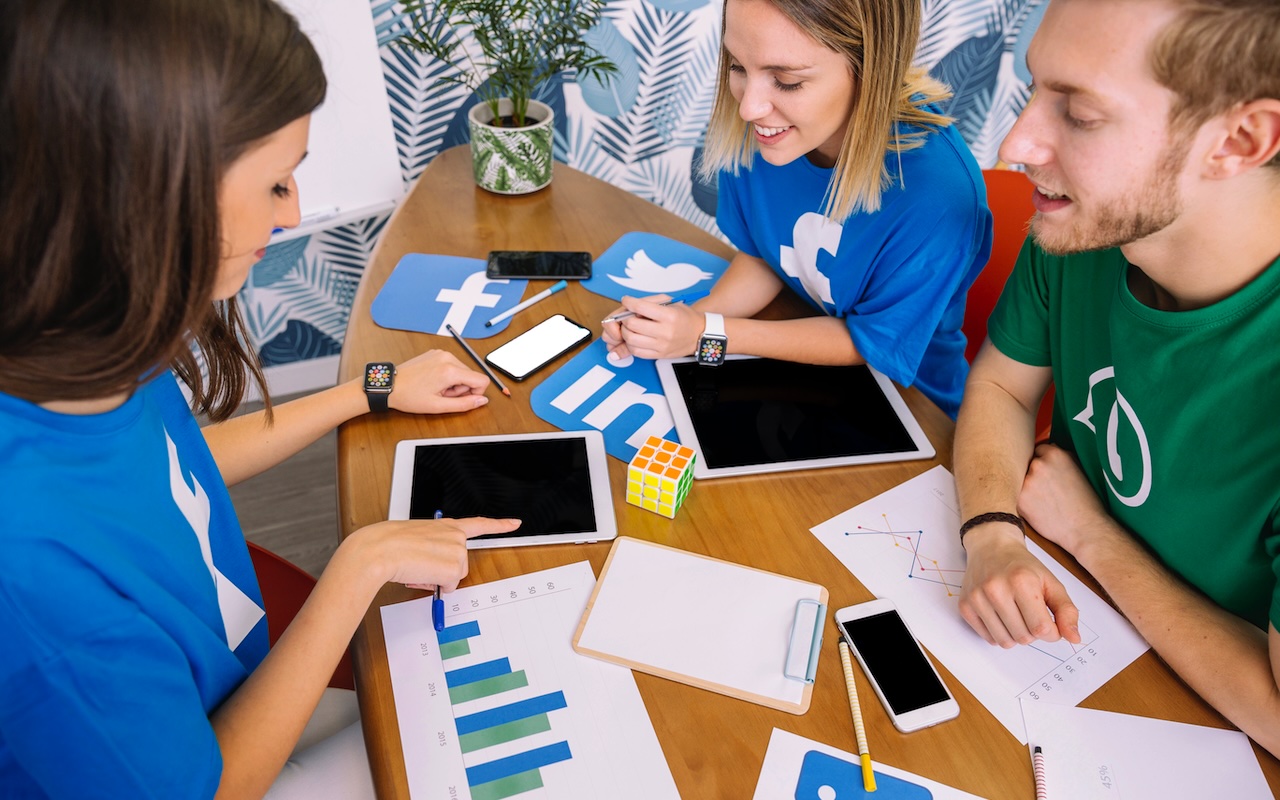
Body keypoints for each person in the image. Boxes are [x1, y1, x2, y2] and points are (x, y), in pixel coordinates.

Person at [0, 1, 521, 797]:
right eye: (276, 182)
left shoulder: (86, 342)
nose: (293, 214)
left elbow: (168, 464)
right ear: (151, 193)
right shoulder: (31, 576)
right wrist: (360, 564)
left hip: (226, 679)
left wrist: (371, 391)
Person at [954, 0, 1280, 755]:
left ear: (1239, 140)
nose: (1016, 143)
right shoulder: (1089, 222)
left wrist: (1091, 535)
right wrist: (992, 534)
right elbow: (1001, 388)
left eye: (1080, 113)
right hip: (1064, 642)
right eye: (1037, 89)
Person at [601, 0, 992, 418]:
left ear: (871, 71)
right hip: (807, 381)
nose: (749, 108)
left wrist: (706, 334)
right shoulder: (767, 129)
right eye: (737, 66)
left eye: (785, 81)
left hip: (913, 407)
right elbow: (767, 256)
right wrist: (679, 325)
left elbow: (871, 342)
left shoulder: (939, 196)